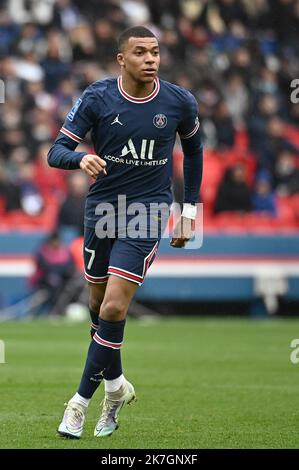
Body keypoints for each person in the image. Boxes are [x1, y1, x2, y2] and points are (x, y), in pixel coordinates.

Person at [47, 26, 203, 439]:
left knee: (114, 308)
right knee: (99, 309)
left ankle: (79, 403)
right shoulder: (97, 97)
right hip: (102, 211)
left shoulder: (178, 101)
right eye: (140, 52)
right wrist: (79, 160)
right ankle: (115, 387)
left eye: (155, 51)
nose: (151, 59)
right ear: (122, 59)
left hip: (147, 212)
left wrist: (189, 210)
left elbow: (194, 150)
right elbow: (55, 151)